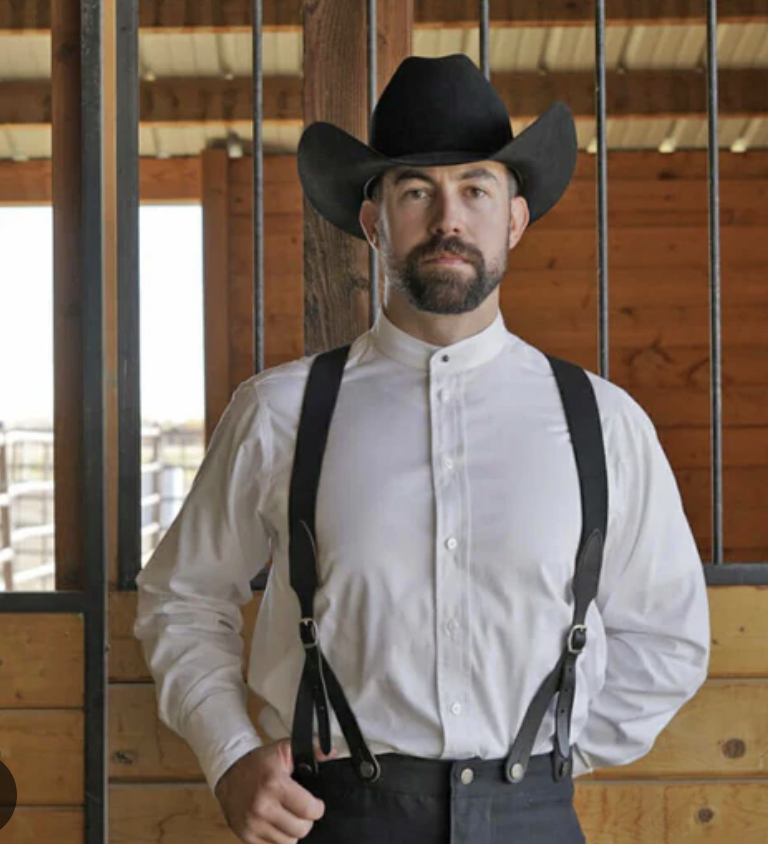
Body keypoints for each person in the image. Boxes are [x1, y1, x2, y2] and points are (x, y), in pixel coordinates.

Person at [134, 54, 710, 844]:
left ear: (514, 219)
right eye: (415, 192)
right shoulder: (279, 412)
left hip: (533, 814)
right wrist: (230, 754)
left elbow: (669, 637)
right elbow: (182, 597)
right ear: (375, 222)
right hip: (336, 818)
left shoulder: (604, 423)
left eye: (476, 190)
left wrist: (546, 760)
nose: (448, 220)